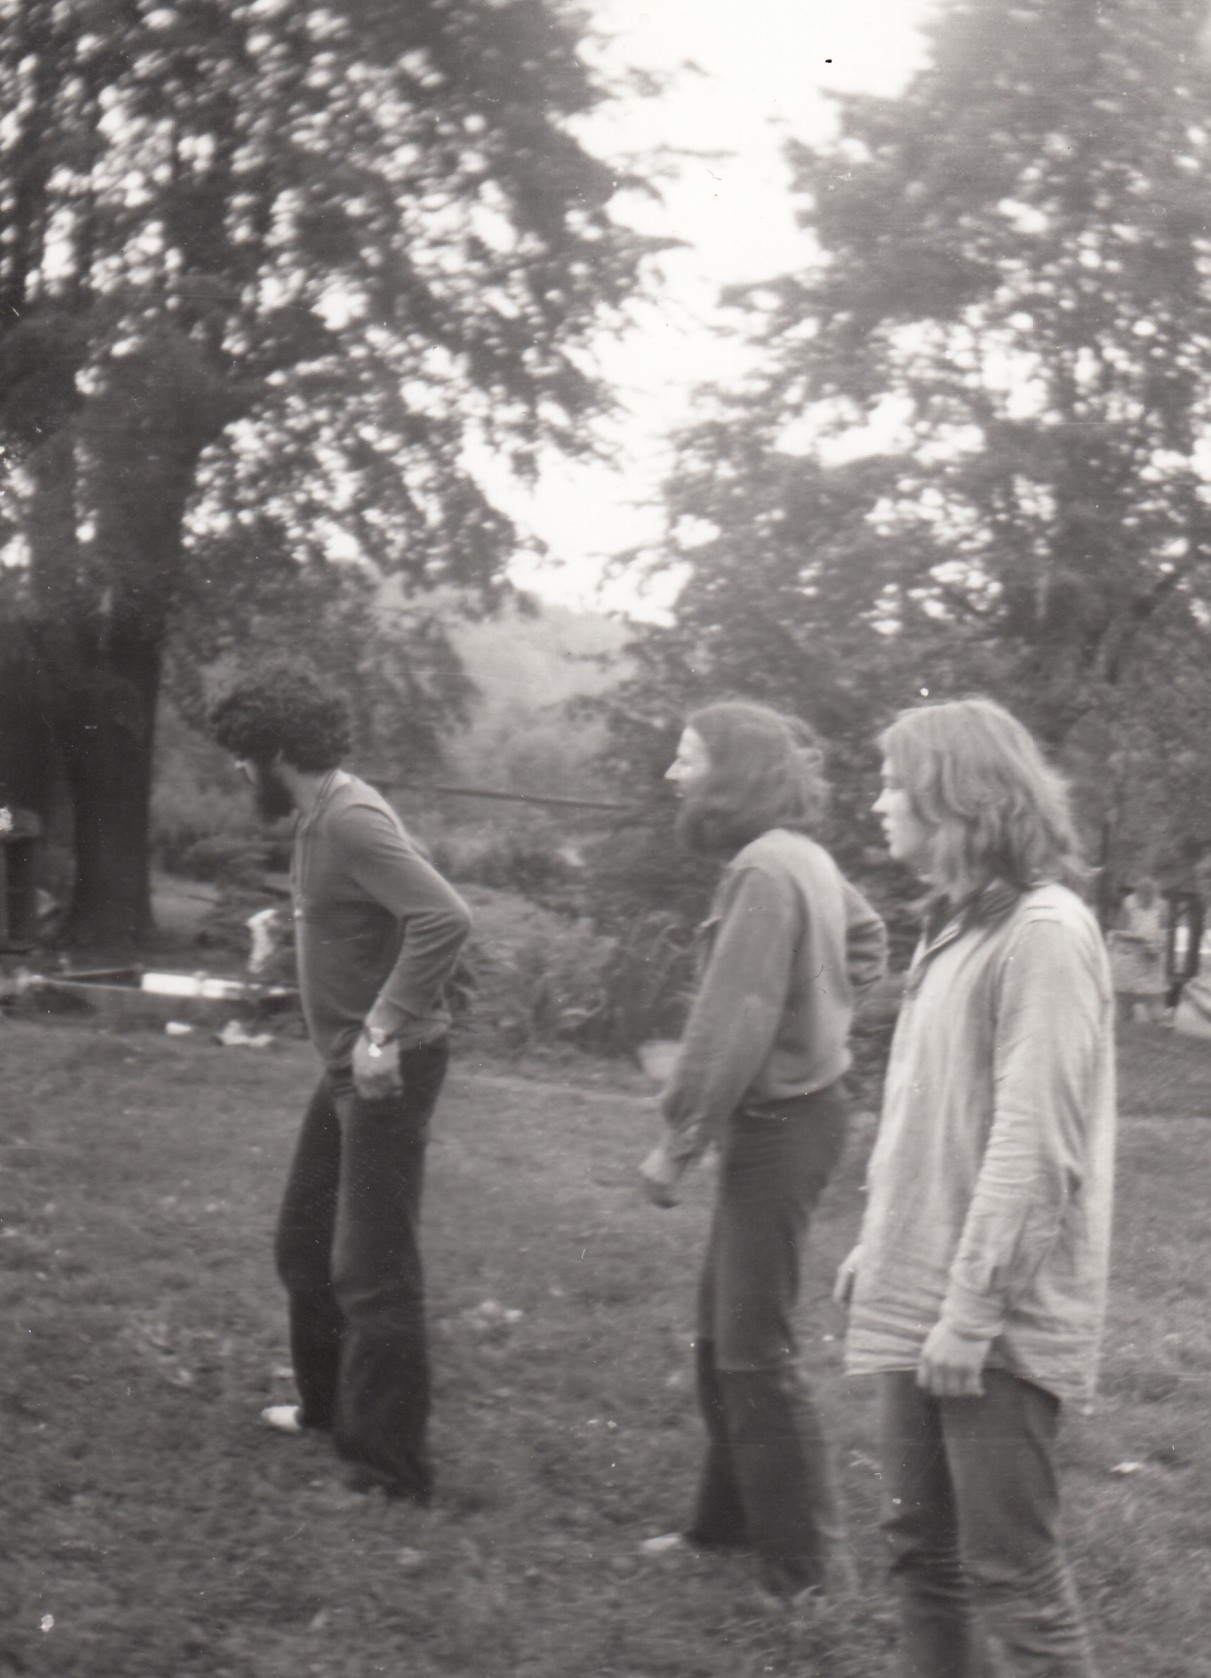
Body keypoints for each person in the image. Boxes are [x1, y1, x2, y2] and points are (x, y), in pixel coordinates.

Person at [837, 697, 1115, 1678]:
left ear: (954, 796)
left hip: (989, 1320)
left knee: (1011, 1576)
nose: (877, 803)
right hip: (927, 1288)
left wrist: (970, 1312)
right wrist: (881, 1243)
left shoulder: (1043, 933)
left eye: (891, 784)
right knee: (921, 1552)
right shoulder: (955, 926)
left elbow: (1033, 1146)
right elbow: (939, 1122)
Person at [639, 700, 887, 1603]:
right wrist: (815, 1015)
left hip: (784, 1129)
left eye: (686, 757)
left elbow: (731, 1020)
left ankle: (808, 1573)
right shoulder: (799, 855)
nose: (672, 774)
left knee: (752, 1348)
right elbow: (866, 941)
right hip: (795, 1118)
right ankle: (724, 1529)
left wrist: (677, 1145)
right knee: (722, 1336)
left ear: (730, 773)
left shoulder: (760, 870)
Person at [209, 663, 472, 1502]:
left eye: (244, 754)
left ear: (278, 751)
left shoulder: (350, 818)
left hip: (389, 1069)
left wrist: (383, 1028)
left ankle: (390, 1469)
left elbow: (444, 917)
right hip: (346, 1069)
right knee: (303, 1244)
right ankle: (327, 1411)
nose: (239, 769)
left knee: (373, 1268)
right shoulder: (318, 815)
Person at [1108, 875, 1167, 1025]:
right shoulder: (1129, 904)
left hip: (1150, 962)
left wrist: (1157, 945)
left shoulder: (1161, 906)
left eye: (1151, 894)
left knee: (1156, 1009)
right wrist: (1139, 938)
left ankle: (1158, 1027)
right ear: (1138, 893)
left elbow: (1163, 933)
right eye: (1144, 893)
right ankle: (1124, 1025)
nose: (1148, 897)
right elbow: (1119, 932)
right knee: (1123, 1007)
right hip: (1128, 959)